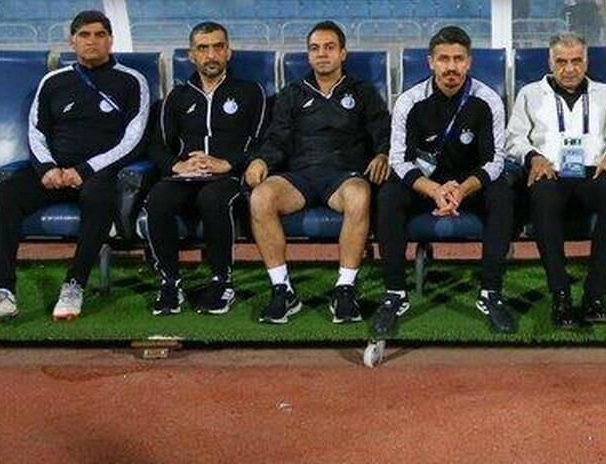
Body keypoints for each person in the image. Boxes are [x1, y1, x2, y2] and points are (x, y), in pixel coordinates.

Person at [0, 10, 150, 324]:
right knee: (7, 194)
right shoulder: (53, 81)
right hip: (54, 172)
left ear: (110, 40)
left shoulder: (132, 81)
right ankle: (1, 292)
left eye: (99, 35)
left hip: (99, 173)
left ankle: (74, 284)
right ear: (72, 41)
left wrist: (85, 170)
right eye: (84, 35)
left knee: (98, 197)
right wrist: (47, 169)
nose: (92, 41)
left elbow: (134, 139)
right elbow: (36, 132)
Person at [372, 26, 516, 336]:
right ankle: (395, 293)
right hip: (425, 185)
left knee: (502, 195)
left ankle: (491, 292)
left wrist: (461, 190)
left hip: (470, 186)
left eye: (458, 59)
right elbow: (399, 160)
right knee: (388, 196)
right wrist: (435, 190)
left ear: (469, 62)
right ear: (430, 62)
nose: (451, 67)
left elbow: (494, 162)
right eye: (444, 59)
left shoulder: (488, 100)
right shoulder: (409, 101)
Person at [244, 21, 391, 324]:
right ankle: (282, 289)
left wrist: (383, 153)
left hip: (343, 176)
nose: (322, 54)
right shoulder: (292, 94)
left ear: (343, 53)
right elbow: (276, 138)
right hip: (299, 176)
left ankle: (345, 289)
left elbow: (383, 133)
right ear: (308, 55)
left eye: (329, 47)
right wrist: (260, 160)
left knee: (359, 194)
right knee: (261, 197)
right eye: (315, 48)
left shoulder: (363, 92)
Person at [506, 33, 606, 327]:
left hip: (595, 170)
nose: (569, 69)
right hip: (549, 170)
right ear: (550, 62)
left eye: (576, 61)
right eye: (561, 62)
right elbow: (513, 139)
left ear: (586, 62)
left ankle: (595, 295)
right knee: (542, 197)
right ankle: (561, 295)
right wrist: (533, 157)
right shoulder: (529, 94)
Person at [142, 22, 267, 316]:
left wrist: (228, 163)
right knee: (157, 200)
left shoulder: (251, 92)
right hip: (185, 176)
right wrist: (177, 165)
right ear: (191, 55)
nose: (211, 55)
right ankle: (169, 282)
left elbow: (264, 141)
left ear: (228, 51)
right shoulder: (176, 97)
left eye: (218, 47)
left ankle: (221, 281)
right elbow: (156, 146)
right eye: (203, 48)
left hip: (228, 176)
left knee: (213, 199)